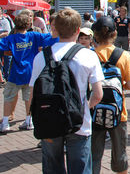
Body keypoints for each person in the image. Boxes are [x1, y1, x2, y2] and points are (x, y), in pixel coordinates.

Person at [29, 9, 104, 173]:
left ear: (54, 29)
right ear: (78, 30)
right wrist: (84, 107)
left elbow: (33, 94)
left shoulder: (41, 57)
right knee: (80, 167)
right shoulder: (88, 56)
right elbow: (98, 95)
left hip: (49, 119)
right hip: (79, 121)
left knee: (52, 166)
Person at [91, 16, 130, 174]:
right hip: (118, 112)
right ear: (115, 33)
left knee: (93, 156)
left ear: (95, 35)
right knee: (120, 156)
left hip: (93, 111)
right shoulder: (123, 55)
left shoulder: (90, 55)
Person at [0, 13, 58, 133]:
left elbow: (3, 48)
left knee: (8, 97)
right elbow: (51, 38)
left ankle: (5, 123)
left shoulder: (11, 38)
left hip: (15, 73)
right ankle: (29, 121)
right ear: (28, 25)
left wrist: (10, 52)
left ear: (15, 25)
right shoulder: (34, 35)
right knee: (29, 98)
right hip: (30, 72)